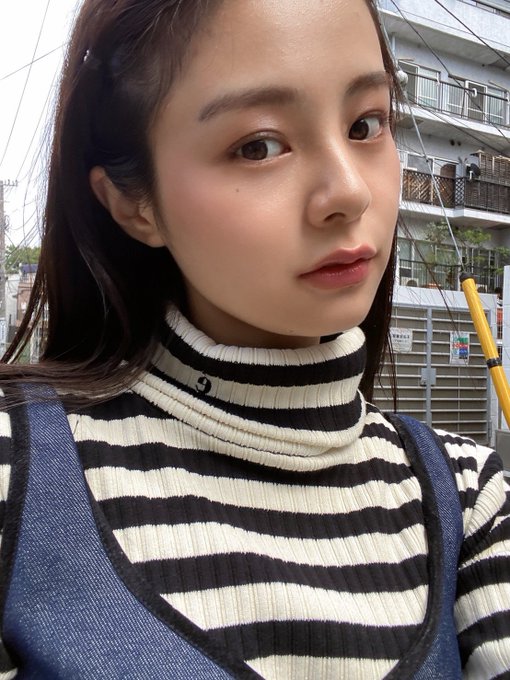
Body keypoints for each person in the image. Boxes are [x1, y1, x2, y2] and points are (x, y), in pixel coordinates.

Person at [0, 0, 508, 677]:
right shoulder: (20, 472)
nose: (348, 192)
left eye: (366, 124)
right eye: (258, 146)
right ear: (133, 203)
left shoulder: (470, 497)